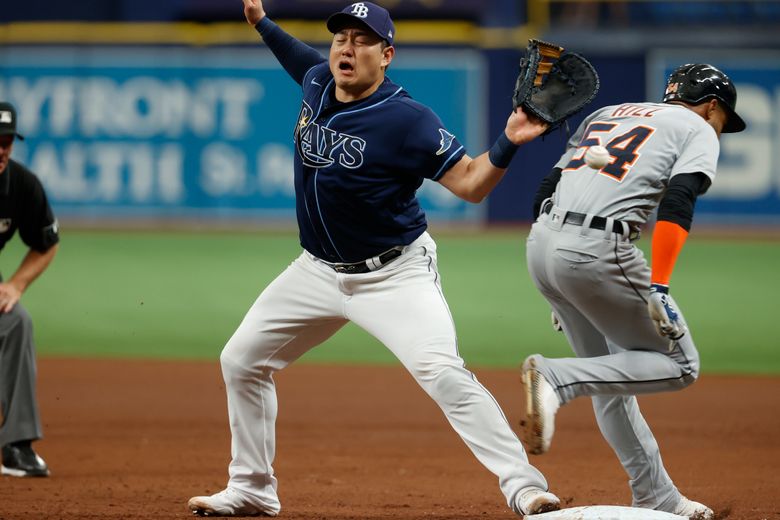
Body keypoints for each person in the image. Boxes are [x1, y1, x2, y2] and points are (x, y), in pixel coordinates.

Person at [188, 0, 561, 517]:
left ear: (386, 55)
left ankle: (525, 487)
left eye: (362, 40)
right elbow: (295, 56)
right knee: (241, 362)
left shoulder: (408, 120)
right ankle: (252, 488)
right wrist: (260, 22)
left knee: (443, 373)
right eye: (341, 37)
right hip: (315, 271)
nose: (347, 47)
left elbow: (472, 184)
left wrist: (508, 142)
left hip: (394, 275)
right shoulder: (319, 80)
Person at [522, 63, 746, 520]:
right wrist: (659, 285)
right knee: (680, 364)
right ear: (711, 105)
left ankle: (656, 496)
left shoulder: (608, 113)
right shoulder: (699, 127)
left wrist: (562, 287)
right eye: (725, 118)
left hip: (542, 245)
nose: (722, 128)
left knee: (614, 381)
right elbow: (679, 201)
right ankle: (556, 378)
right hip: (596, 251)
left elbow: (548, 187)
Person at [0, 101, 60, 478]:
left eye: (6, 140)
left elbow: (46, 241)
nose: (1, 149)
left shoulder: (21, 184)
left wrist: (15, 284)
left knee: (15, 320)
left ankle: (16, 445)